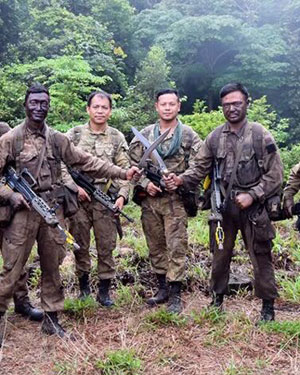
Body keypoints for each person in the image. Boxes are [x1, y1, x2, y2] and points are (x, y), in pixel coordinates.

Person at [0, 84, 139, 344]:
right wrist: (11, 195)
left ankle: (52, 319)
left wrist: (122, 173)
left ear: (48, 106)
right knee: (11, 268)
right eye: (34, 103)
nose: (39, 107)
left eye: (44, 103)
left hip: (52, 209)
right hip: (23, 212)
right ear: (26, 105)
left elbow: (85, 161)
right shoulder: (11, 139)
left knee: (53, 266)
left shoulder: (57, 139)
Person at [165, 83, 283, 322]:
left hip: (254, 209)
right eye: (227, 105)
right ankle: (217, 300)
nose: (232, 108)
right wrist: (180, 179)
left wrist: (253, 194)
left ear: (246, 103)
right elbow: (199, 168)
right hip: (222, 208)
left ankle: (268, 308)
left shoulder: (260, 135)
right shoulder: (215, 137)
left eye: (236, 103)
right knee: (219, 256)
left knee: (261, 256)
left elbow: (276, 174)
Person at [129, 88, 202, 313]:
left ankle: (176, 293)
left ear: (179, 106)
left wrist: (180, 180)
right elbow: (130, 166)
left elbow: (200, 165)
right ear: (157, 107)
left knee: (177, 246)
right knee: (156, 246)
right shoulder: (143, 135)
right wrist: (144, 185)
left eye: (172, 104)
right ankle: (162, 288)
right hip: (151, 202)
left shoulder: (189, 135)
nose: (168, 107)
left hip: (176, 201)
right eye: (164, 104)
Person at [66, 90, 130, 305]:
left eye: (104, 107)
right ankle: (84, 288)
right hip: (79, 201)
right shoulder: (74, 135)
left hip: (105, 199)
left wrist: (121, 196)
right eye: (96, 107)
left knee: (106, 246)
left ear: (110, 111)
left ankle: (104, 291)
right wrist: (73, 186)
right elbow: (59, 164)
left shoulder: (116, 137)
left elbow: (125, 169)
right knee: (80, 245)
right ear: (88, 109)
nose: (100, 111)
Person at [0, 121, 43, 322]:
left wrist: (12, 194)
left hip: (7, 214)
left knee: (15, 262)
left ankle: (21, 301)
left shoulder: (6, 133)